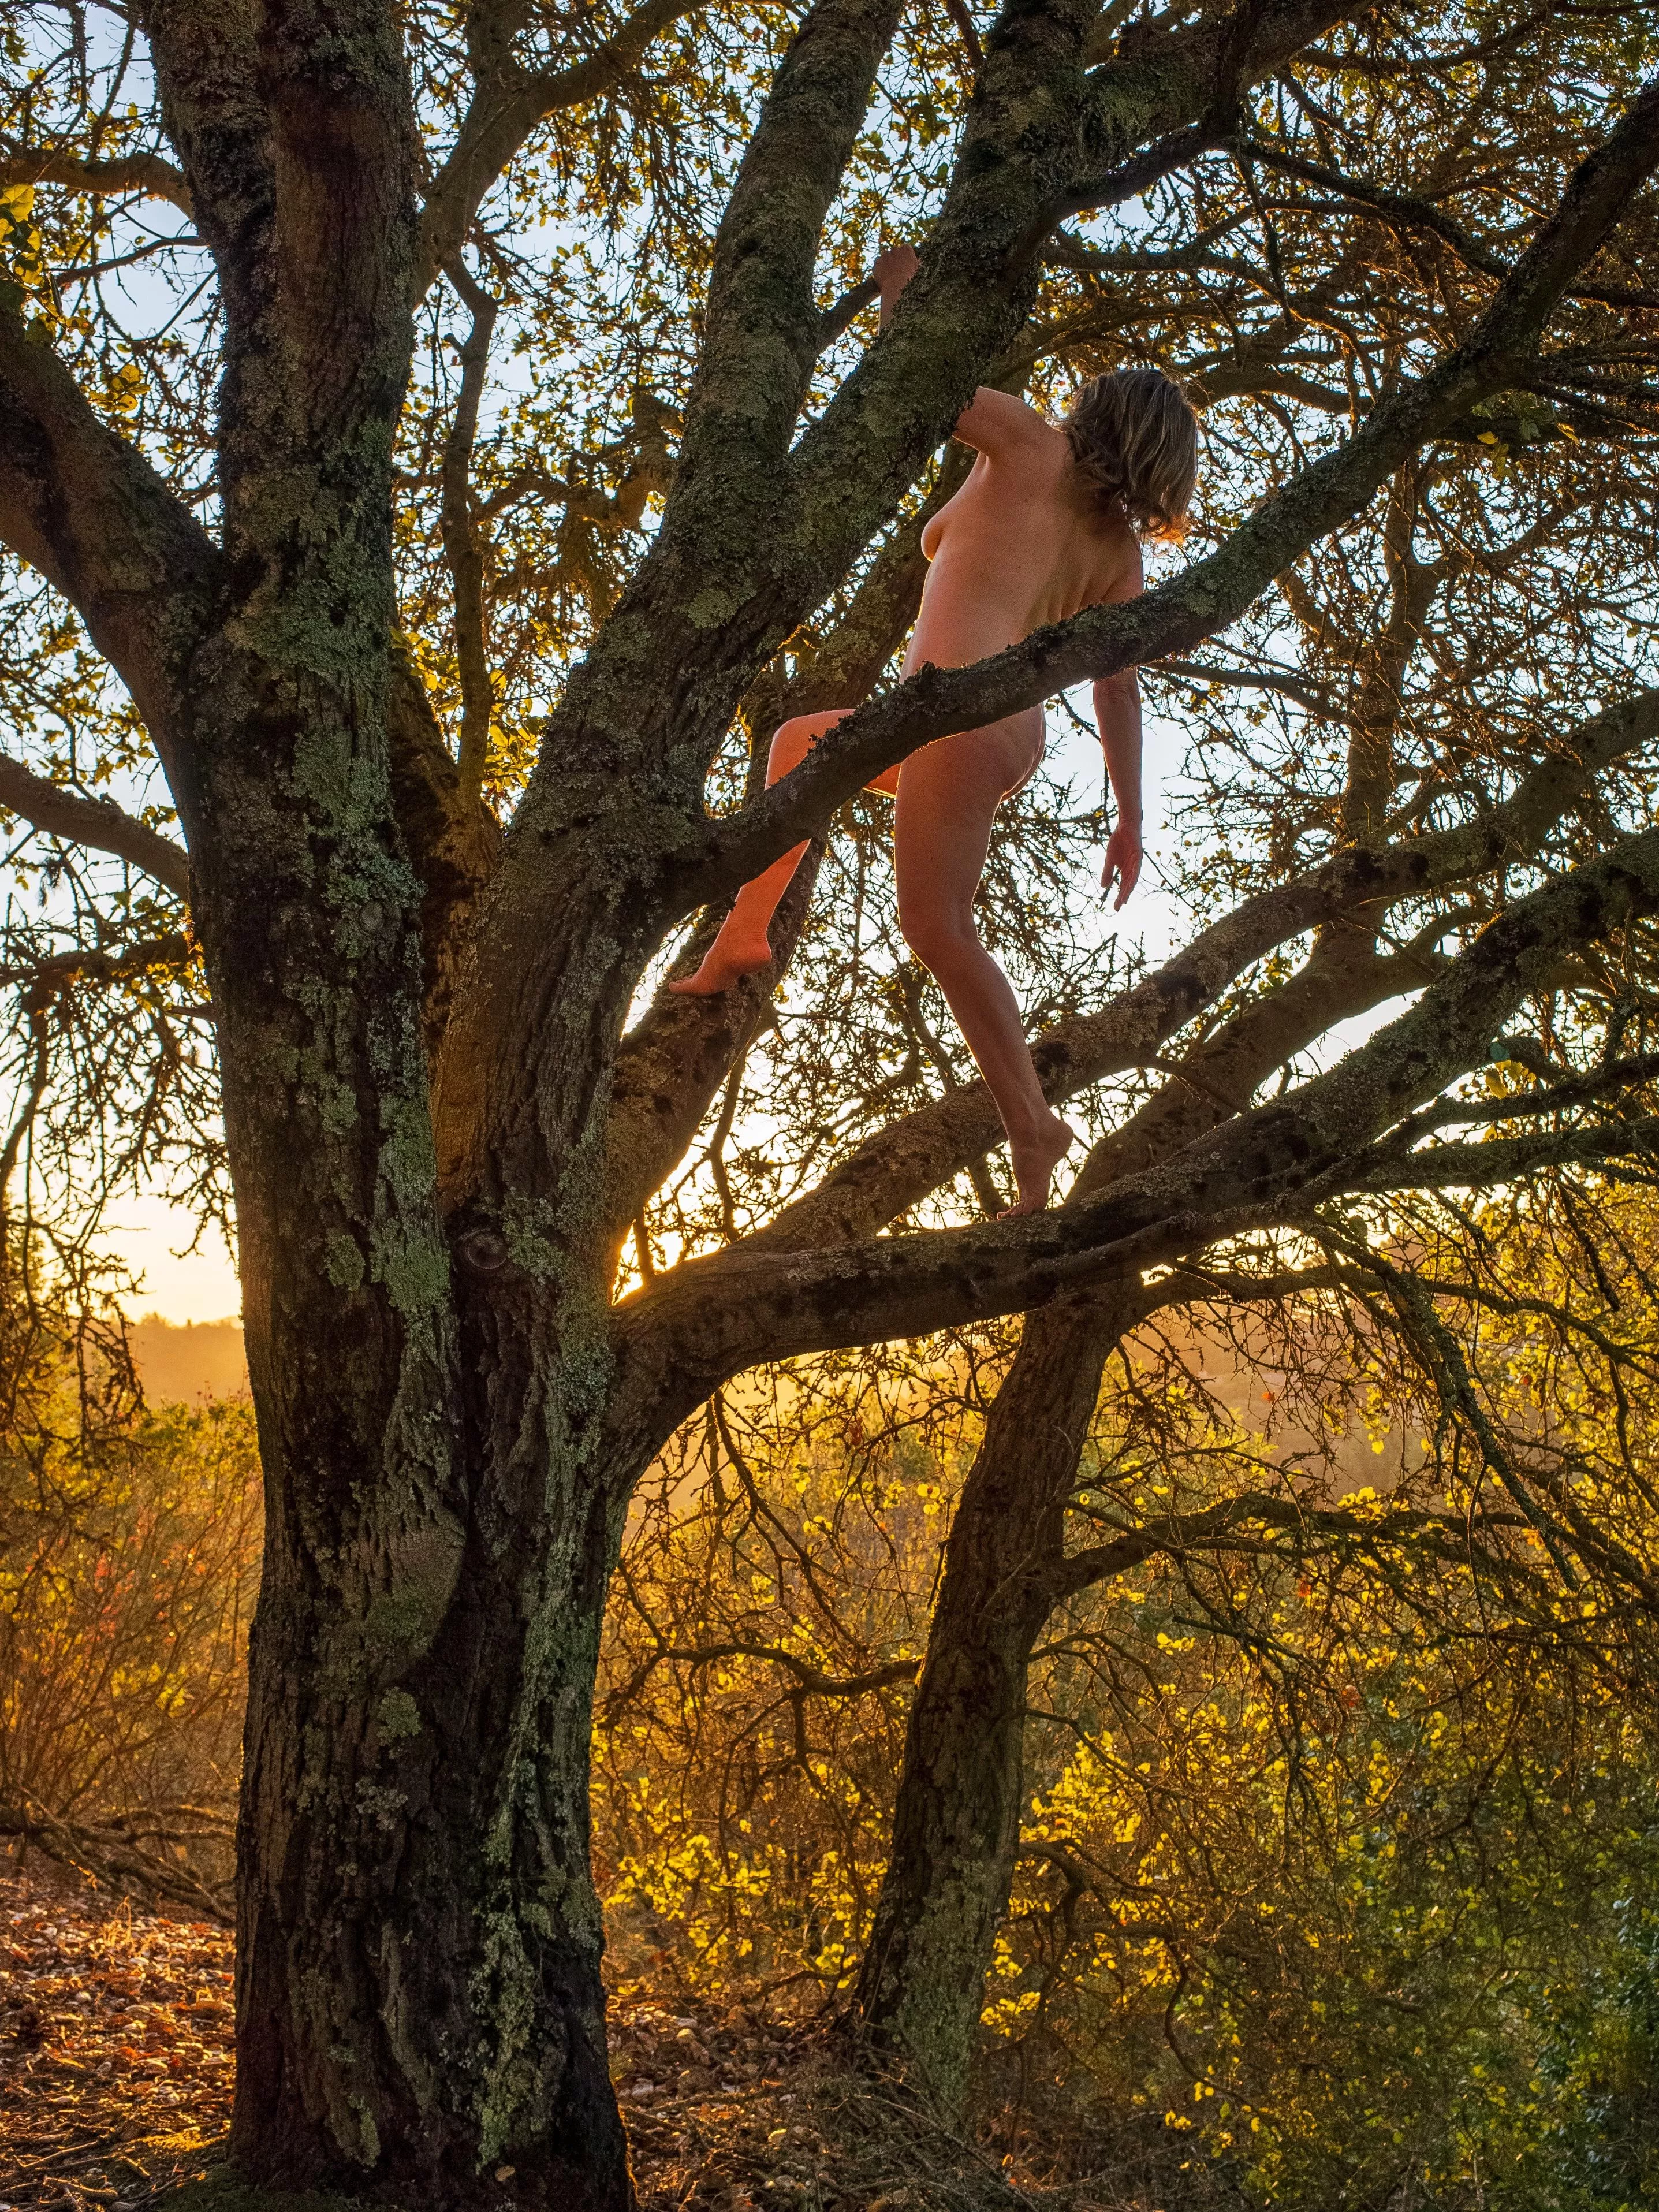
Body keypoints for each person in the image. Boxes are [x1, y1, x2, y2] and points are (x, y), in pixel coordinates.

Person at [672, 242, 1199, 1214]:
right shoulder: (1118, 552)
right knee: (799, 746)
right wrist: (1129, 814)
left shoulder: (1035, 443)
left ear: (1096, 413)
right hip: (985, 724)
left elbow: (934, 377)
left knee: (937, 927)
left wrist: (901, 280)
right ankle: (744, 938)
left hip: (958, 713)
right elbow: (1117, 692)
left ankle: (1034, 1125)